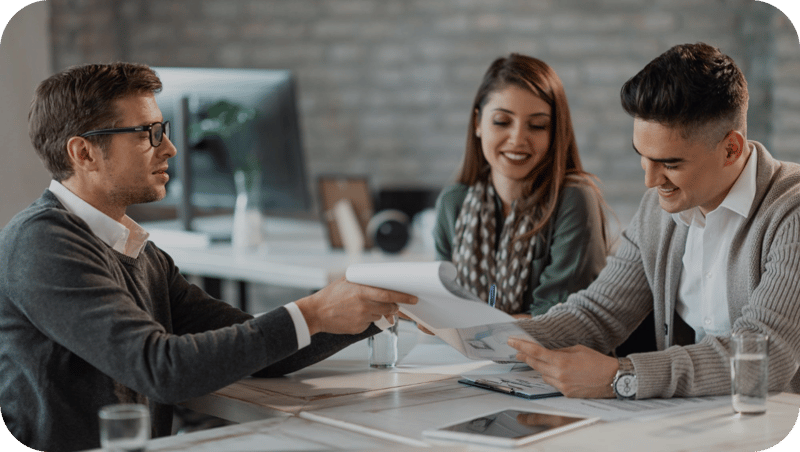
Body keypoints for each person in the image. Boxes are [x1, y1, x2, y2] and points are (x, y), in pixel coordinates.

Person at [0, 62, 417, 452]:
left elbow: (260, 349)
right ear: (83, 153)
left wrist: (374, 307)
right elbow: (161, 369)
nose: (172, 149)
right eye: (149, 133)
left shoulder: (138, 251)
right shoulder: (41, 242)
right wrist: (311, 312)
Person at [508, 42, 800, 399]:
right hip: (697, 422)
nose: (650, 181)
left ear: (731, 149)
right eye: (643, 158)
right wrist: (483, 333)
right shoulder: (658, 209)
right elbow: (598, 314)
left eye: (670, 164)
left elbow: (764, 357)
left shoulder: (791, 213)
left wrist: (622, 376)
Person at [432, 53, 610, 318]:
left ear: (554, 133)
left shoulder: (574, 199)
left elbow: (559, 317)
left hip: (552, 357)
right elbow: (443, 301)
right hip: (467, 356)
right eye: (502, 122)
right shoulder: (453, 202)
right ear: (478, 123)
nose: (517, 139)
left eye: (537, 126)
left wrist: (471, 327)